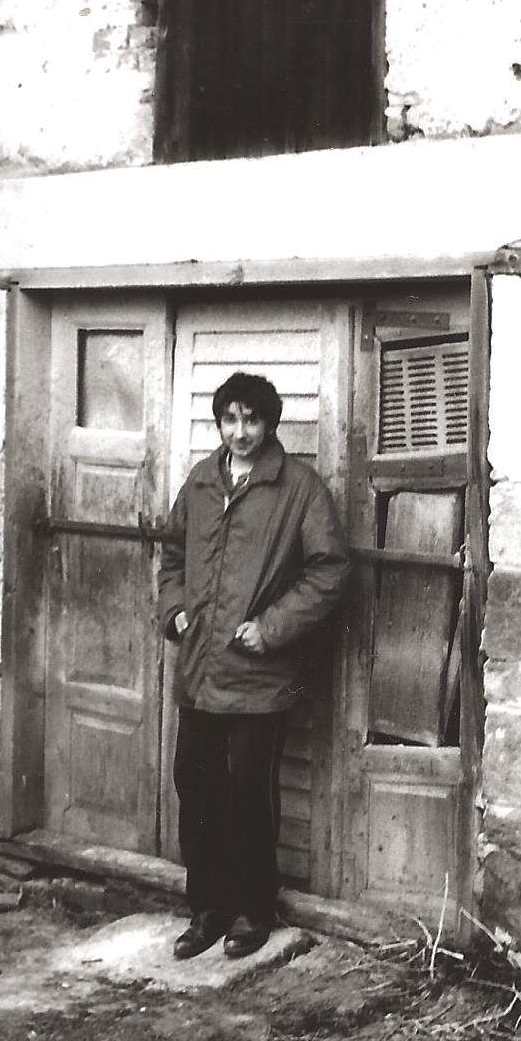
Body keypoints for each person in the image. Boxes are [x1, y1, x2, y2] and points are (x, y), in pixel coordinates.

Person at [158, 371, 351, 961]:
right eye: (230, 419)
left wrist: (271, 629)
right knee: (195, 784)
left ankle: (253, 908)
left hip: (258, 674)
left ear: (269, 424)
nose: (240, 432)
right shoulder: (200, 482)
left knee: (248, 791)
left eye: (251, 420)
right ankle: (208, 907)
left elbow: (330, 570)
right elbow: (172, 555)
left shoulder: (299, 489)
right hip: (200, 670)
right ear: (219, 423)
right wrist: (174, 611)